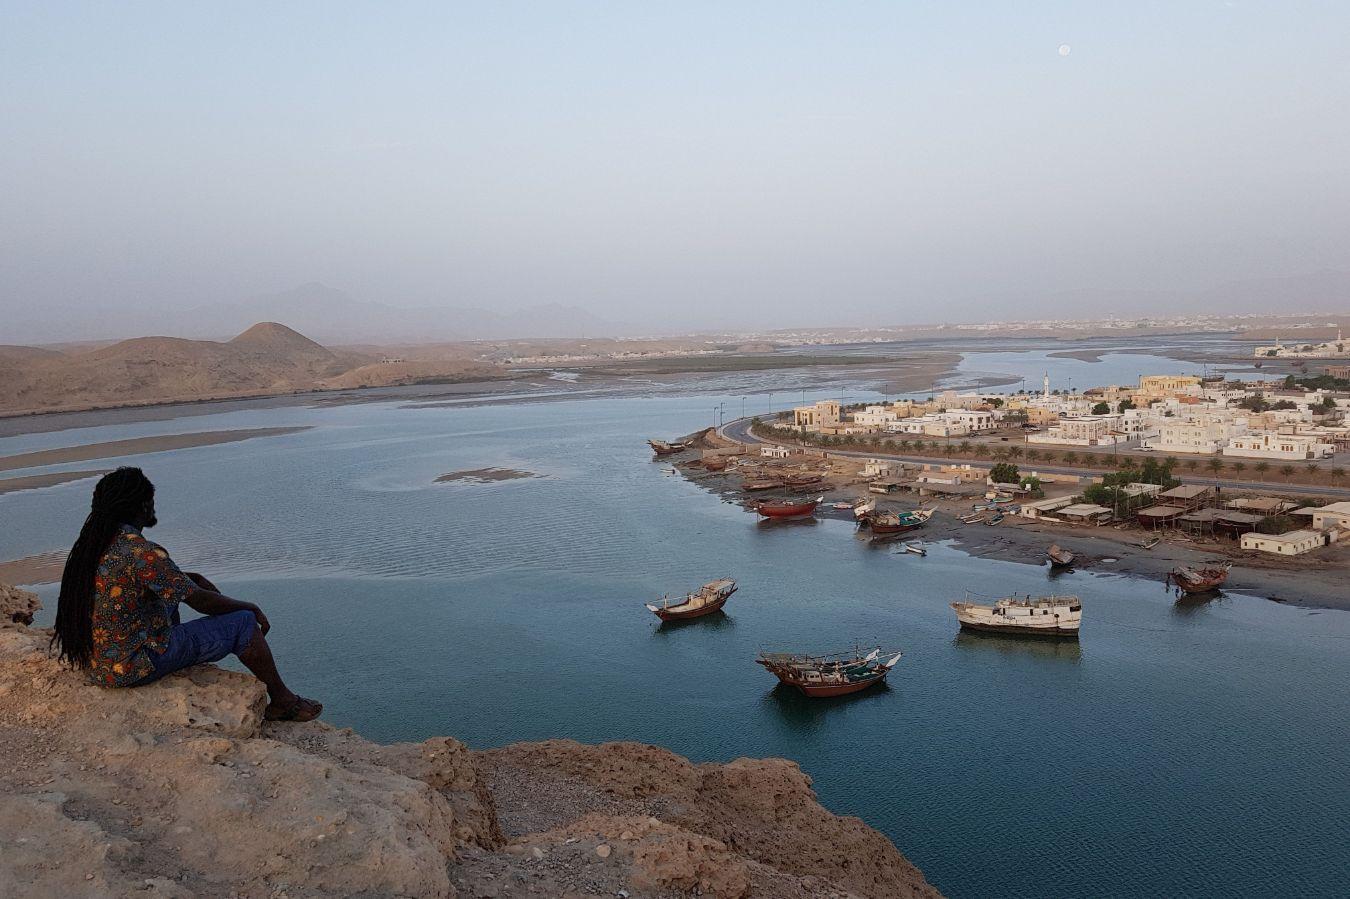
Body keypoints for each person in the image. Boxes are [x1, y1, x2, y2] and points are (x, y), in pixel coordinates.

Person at [52, 467, 321, 722]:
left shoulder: (92, 545)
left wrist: (189, 579)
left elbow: (163, 583)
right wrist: (250, 607)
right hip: (130, 667)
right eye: (151, 501)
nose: (153, 507)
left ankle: (175, 651)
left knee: (172, 596)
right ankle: (284, 701)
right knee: (243, 623)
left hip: (97, 662)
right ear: (143, 506)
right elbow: (201, 602)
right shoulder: (142, 552)